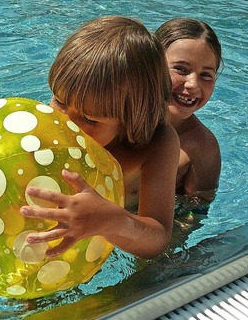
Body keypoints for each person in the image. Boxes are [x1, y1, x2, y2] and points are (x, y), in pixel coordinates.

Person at [20, 16, 180, 259]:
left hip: (123, 228)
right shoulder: (45, 127)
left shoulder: (157, 144)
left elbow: (158, 239)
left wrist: (112, 221)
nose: (67, 124)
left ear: (132, 118)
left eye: (91, 119)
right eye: (60, 102)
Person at [155, 18, 222, 204]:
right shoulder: (112, 116)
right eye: (181, 69)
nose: (193, 84)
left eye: (206, 75)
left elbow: (193, 215)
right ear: (151, 66)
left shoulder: (202, 148)